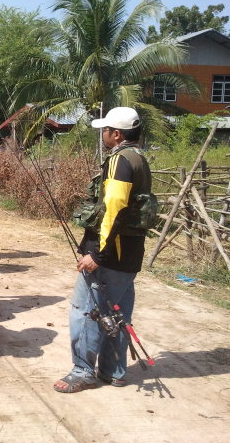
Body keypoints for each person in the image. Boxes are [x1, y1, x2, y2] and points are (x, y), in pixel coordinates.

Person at [54, 107, 153, 393]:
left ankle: (82, 371)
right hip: (129, 255)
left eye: (105, 131)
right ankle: (114, 371)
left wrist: (98, 254)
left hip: (111, 256)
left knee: (86, 311)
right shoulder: (139, 159)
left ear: (117, 134)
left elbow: (114, 210)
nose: (103, 136)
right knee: (117, 314)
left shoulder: (120, 161)